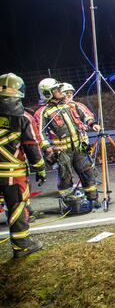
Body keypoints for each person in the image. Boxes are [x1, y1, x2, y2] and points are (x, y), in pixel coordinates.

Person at [0, 73, 46, 258]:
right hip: (13, 175)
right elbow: (31, 147)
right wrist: (40, 168)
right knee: (17, 208)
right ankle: (22, 246)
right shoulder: (23, 117)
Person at [35, 79, 98, 204]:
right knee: (65, 177)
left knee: (87, 172)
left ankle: (93, 199)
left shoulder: (70, 105)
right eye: (57, 89)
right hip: (62, 152)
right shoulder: (43, 112)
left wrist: (92, 123)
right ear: (48, 93)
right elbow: (39, 133)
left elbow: (85, 114)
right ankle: (71, 203)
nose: (60, 91)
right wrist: (48, 151)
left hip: (79, 148)